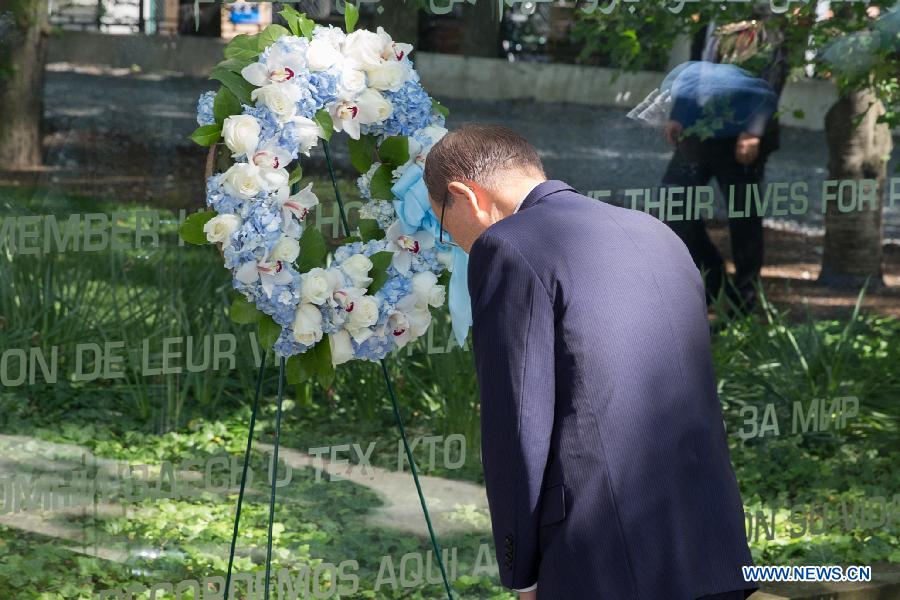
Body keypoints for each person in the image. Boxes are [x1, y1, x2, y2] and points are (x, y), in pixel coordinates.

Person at [422, 124, 756, 600]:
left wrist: (524, 574)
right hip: (713, 544)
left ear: (465, 195)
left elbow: (517, 423)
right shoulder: (658, 234)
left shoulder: (508, 247)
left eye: (442, 223)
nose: (453, 241)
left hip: (600, 560)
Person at [660, 9, 790, 313]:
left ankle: (744, 301)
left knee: (744, 220)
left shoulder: (766, 21)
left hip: (741, 138)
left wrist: (752, 130)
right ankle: (715, 283)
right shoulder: (707, 17)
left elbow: (773, 75)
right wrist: (679, 115)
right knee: (674, 203)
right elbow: (694, 70)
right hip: (698, 132)